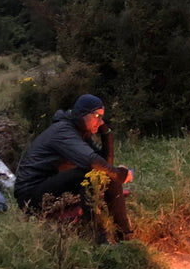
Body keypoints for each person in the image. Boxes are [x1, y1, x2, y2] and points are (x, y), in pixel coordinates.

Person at [14, 93, 134, 242]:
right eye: (97, 116)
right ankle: (100, 240)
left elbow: (104, 163)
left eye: (102, 117)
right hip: (30, 194)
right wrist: (119, 174)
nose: (100, 121)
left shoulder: (80, 130)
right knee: (91, 174)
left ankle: (124, 236)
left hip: (51, 184)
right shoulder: (63, 131)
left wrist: (106, 133)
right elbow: (92, 161)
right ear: (83, 114)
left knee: (107, 174)